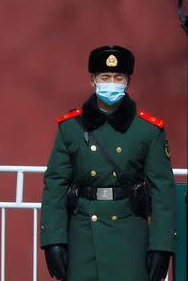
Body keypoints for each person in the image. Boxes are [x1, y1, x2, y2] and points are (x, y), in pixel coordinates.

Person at [40, 45, 176, 281]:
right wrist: (53, 240)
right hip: (83, 238)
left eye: (118, 77)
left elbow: (162, 191)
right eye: (105, 77)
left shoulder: (148, 130)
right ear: (93, 80)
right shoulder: (71, 128)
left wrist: (162, 246)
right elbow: (55, 185)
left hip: (130, 238)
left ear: (127, 81)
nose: (111, 83)